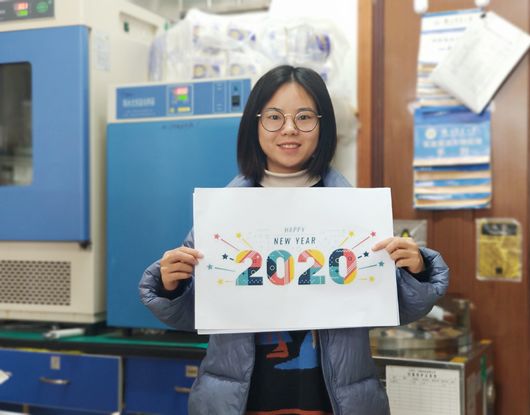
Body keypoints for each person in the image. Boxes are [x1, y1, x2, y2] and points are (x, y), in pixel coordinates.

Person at [139, 65, 449, 415]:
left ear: (323, 126)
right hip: (243, 402)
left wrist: (416, 271)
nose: (289, 129)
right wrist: (171, 286)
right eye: (274, 117)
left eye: (304, 117)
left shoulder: (355, 212)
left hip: (333, 402)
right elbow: (192, 315)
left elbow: (391, 307)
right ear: (254, 125)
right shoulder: (222, 214)